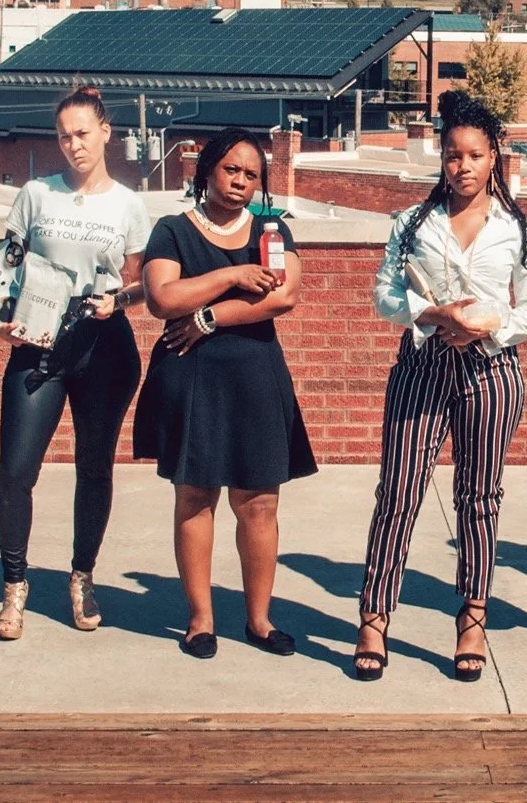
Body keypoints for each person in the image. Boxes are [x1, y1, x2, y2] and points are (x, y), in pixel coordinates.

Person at [359, 91, 527, 683]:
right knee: (399, 492)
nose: (462, 166)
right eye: (451, 155)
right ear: (440, 159)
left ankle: (472, 616)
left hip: (491, 374)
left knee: (479, 497)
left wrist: (490, 325)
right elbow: (384, 295)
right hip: (422, 368)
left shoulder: (517, 231)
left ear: (494, 156)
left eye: (473, 155)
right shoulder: (412, 224)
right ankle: (373, 617)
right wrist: (437, 316)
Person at [134, 128, 316, 659]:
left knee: (258, 502)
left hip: (254, 378)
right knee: (195, 495)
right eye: (231, 169)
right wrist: (235, 273)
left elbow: (284, 297)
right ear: (207, 169)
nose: (239, 181)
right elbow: (164, 299)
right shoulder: (171, 230)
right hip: (190, 377)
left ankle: (259, 620)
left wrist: (210, 316)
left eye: (251, 174)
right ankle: (200, 620)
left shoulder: (272, 229)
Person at [0, 87, 152, 641]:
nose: (73, 144)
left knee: (95, 468)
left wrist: (119, 301)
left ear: (107, 132)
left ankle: (82, 576)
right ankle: (14, 588)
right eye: (64, 135)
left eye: (83, 133)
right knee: (16, 470)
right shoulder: (36, 194)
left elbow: (143, 286)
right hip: (38, 343)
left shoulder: (129, 205)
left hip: (103, 347)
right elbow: (3, 267)